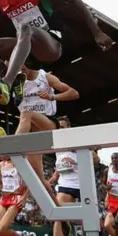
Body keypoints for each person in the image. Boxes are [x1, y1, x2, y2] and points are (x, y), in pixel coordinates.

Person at [14, 63, 79, 204]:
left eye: (22, 64)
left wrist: (52, 97)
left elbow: (74, 93)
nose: (20, 67)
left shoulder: (45, 77)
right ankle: (60, 212)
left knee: (27, 113)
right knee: (38, 177)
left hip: (48, 125)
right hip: (32, 133)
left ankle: (13, 146)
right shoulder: (16, 81)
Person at [48, 117, 98, 236]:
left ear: (69, 128)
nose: (60, 130)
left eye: (63, 127)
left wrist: (76, 161)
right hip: (65, 185)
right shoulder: (57, 144)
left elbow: (96, 160)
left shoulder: (77, 141)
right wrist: (55, 176)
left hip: (83, 186)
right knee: (58, 215)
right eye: (58, 127)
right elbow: (60, 162)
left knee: (91, 218)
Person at [0, 154, 29, 236]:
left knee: (1, 229)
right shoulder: (0, 165)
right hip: (4, 198)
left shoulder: (20, 163)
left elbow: (31, 182)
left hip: (16, 197)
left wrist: (24, 197)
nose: (1, 156)